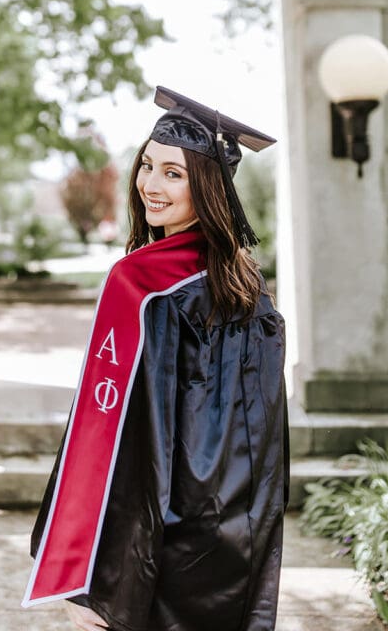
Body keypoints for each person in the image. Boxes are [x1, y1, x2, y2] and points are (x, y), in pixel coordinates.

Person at [23, 86, 290, 631]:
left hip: (158, 536)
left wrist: (100, 574)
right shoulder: (243, 284)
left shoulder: (143, 284)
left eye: (174, 173)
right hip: (228, 529)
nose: (150, 184)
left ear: (208, 187)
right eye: (147, 166)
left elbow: (118, 440)